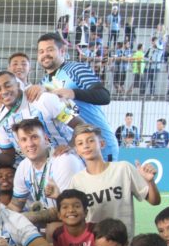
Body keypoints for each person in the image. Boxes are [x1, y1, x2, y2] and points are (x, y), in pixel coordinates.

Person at [33, 32, 119, 161]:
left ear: (62, 51)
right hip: (72, 149)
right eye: (41, 51)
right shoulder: (43, 83)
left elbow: (104, 96)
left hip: (99, 145)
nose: (45, 54)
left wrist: (73, 93)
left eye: (50, 50)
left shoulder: (75, 69)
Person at [69, 124, 160, 232]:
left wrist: (150, 182)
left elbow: (154, 201)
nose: (86, 146)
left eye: (91, 141)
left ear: (102, 144)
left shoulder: (124, 169)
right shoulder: (77, 181)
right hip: (94, 241)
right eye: (80, 143)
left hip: (124, 241)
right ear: (77, 150)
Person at [0, 71, 85, 155]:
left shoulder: (43, 100)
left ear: (18, 85)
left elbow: (80, 124)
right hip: (36, 166)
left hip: (66, 159)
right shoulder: (0, 119)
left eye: (8, 86)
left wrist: (69, 147)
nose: (4, 91)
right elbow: (9, 154)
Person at [8, 119, 85, 220]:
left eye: (34, 137)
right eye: (24, 139)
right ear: (19, 144)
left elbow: (72, 209)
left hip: (74, 221)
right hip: (48, 222)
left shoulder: (64, 160)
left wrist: (30, 218)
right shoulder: (23, 166)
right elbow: (15, 205)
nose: (30, 144)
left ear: (45, 138)